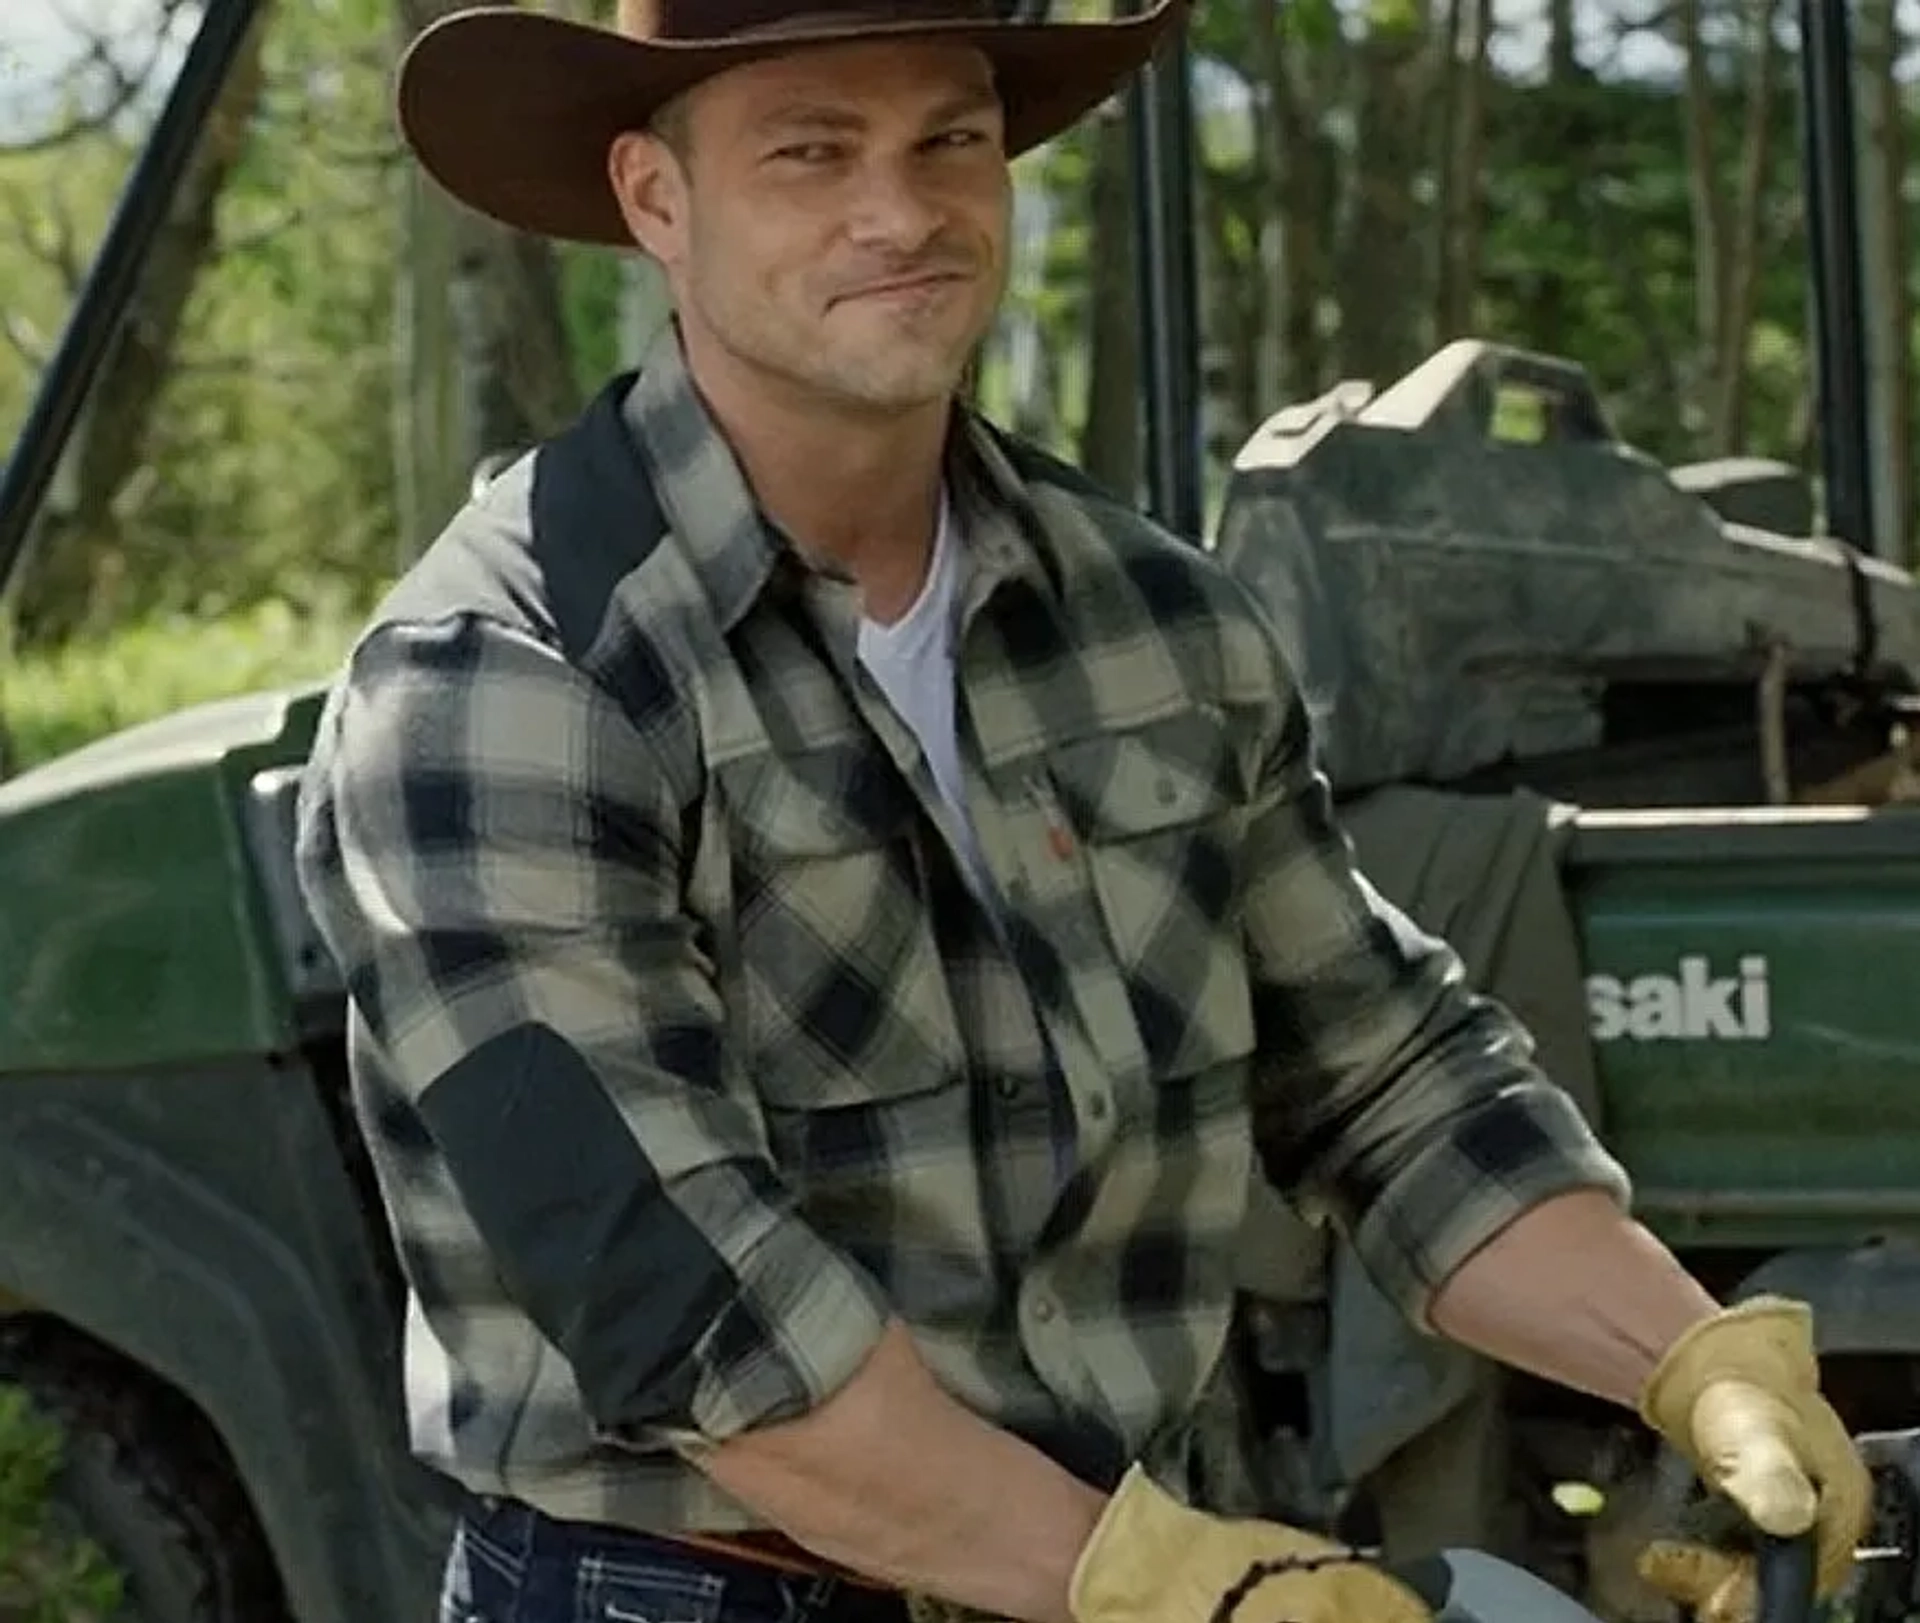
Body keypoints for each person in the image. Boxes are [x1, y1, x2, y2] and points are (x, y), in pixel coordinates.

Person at [292, 3, 1872, 1622]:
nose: (900, 213)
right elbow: (694, 1317)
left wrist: (1692, 1357)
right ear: (656, 199)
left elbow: (1385, 1076)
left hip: (1140, 1559)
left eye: (949, 141)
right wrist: (1183, 1584)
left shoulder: (1157, 623)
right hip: (700, 1586)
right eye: (811, 152)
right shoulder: (505, 681)